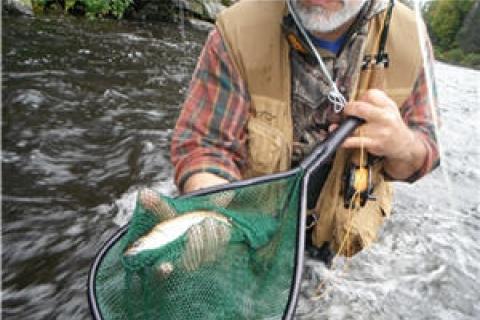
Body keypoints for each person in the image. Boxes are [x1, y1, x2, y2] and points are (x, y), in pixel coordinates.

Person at [170, 0, 439, 261]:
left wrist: (403, 145)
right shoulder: (238, 30)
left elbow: (424, 152)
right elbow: (206, 145)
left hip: (333, 234)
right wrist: (212, 212)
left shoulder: (410, 42)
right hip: (248, 225)